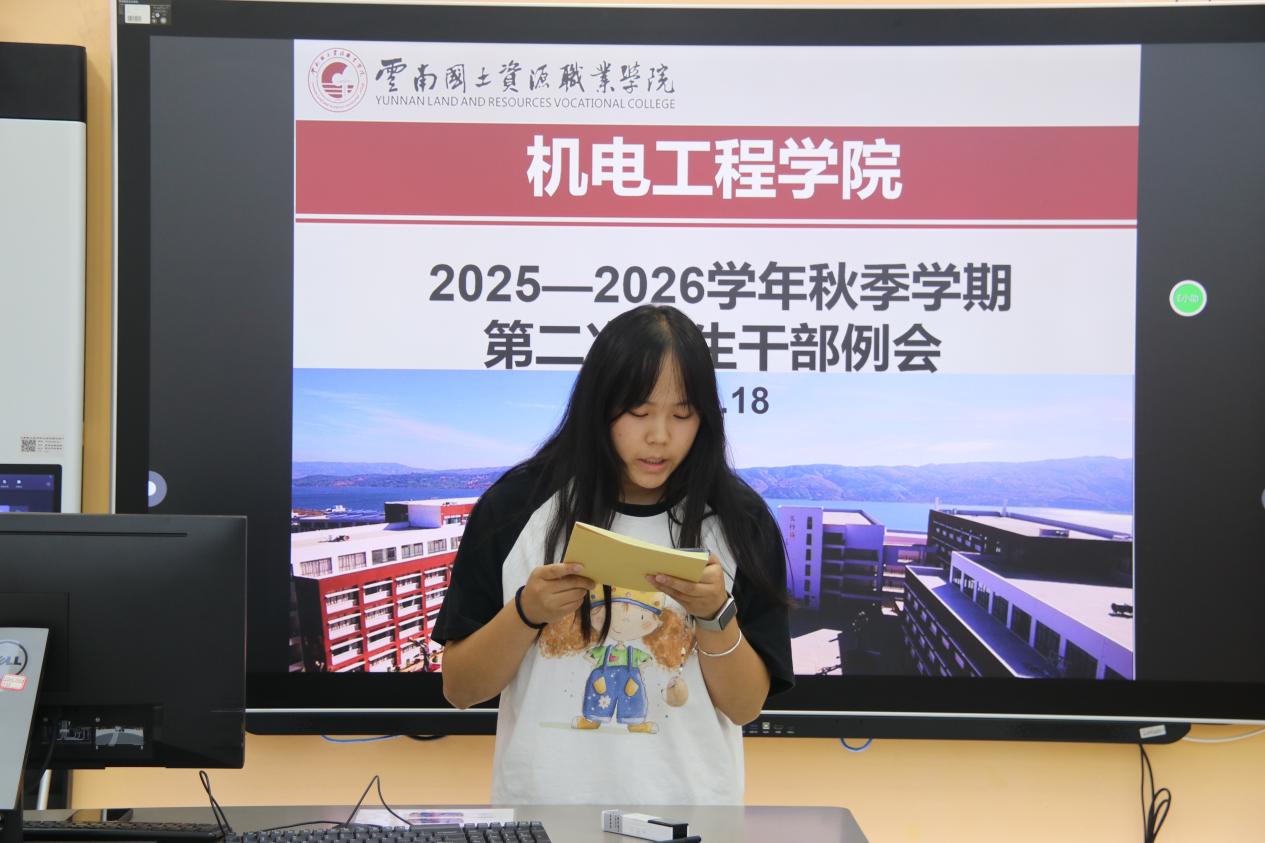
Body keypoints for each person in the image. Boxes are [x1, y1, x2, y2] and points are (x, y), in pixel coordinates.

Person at [432, 304, 793, 805]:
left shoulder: (739, 520)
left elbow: (746, 707)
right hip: (544, 816)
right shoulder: (515, 508)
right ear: (598, 406)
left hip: (691, 818)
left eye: (682, 414)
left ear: (706, 419)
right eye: (638, 412)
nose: (659, 436)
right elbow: (460, 689)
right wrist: (527, 612)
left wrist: (717, 615)